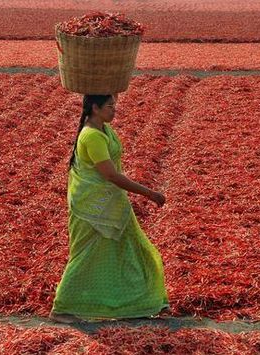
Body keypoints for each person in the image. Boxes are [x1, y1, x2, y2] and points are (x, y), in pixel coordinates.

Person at [49, 94, 170, 324]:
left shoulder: (103, 130)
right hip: (92, 206)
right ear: (95, 108)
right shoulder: (92, 136)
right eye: (109, 106)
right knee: (85, 253)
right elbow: (110, 175)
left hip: (111, 203)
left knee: (133, 248)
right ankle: (61, 307)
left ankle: (147, 301)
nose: (114, 110)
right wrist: (149, 193)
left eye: (114, 105)